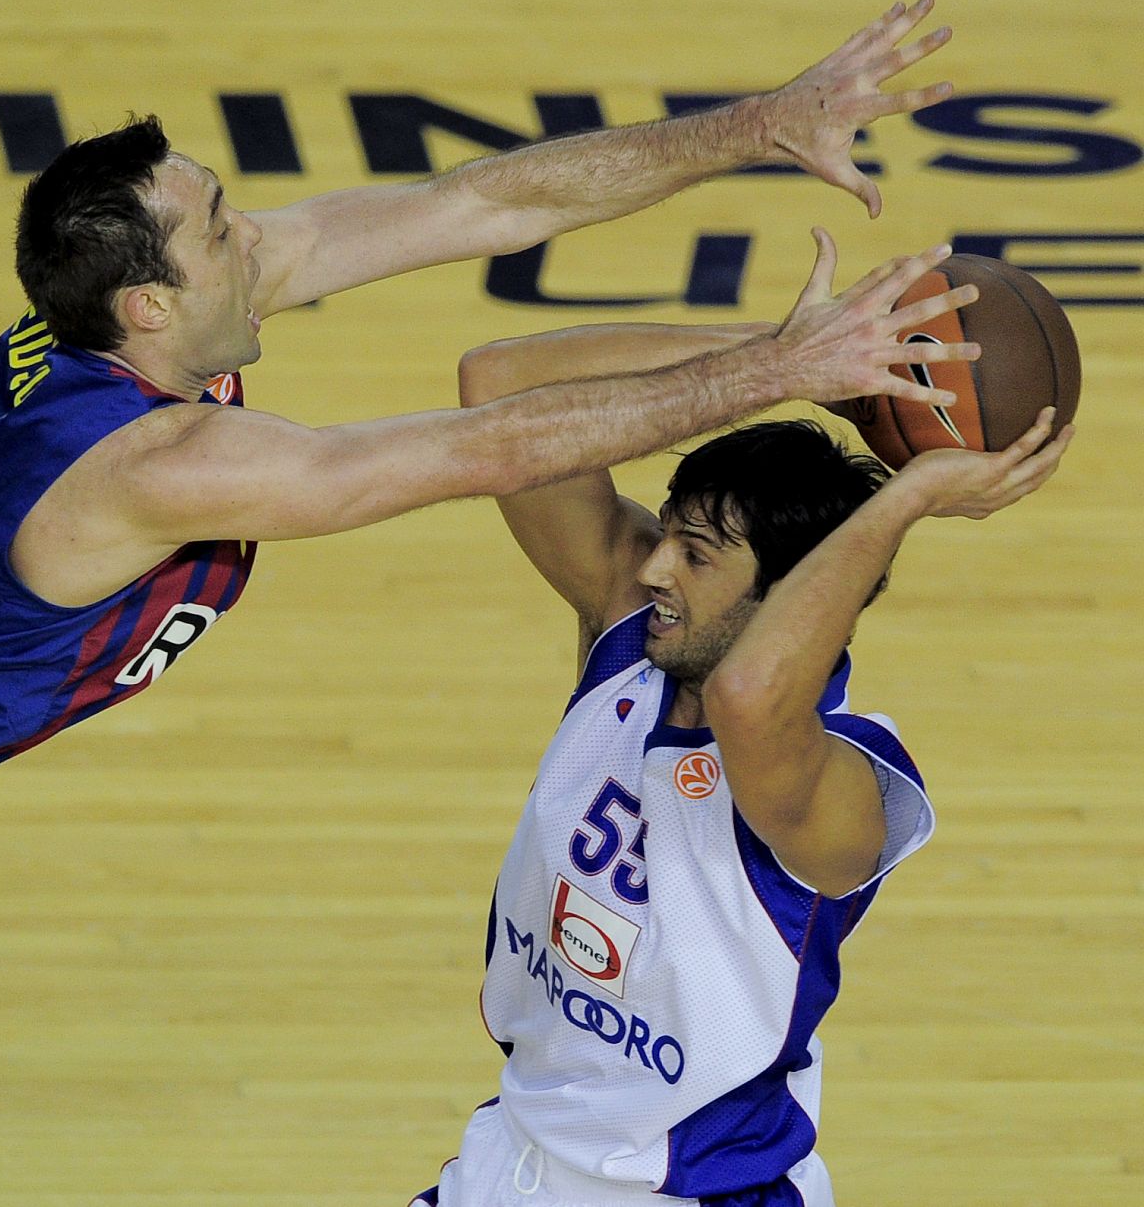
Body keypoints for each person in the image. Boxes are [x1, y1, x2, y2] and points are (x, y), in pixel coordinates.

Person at [0, 0, 967, 1207]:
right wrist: (777, 367)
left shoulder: (120, 333)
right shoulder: (145, 466)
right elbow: (476, 447)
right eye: (219, 229)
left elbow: (479, 206)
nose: (254, 236)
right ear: (149, 306)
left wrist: (760, 125)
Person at [410, 297, 1074, 1207]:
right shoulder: (634, 635)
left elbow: (751, 697)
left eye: (696, 554)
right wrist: (793, 358)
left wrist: (909, 495)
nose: (653, 569)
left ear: (789, 593)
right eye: (668, 536)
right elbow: (505, 386)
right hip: (511, 1158)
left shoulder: (843, 784)